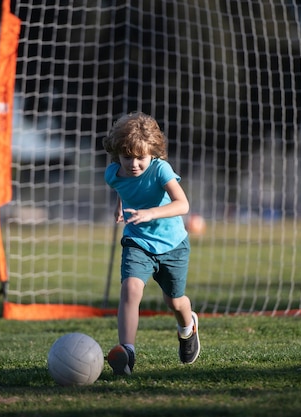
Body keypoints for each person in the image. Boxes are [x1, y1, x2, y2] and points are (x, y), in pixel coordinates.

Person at [102, 112, 200, 375]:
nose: (133, 164)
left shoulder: (160, 169)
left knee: (174, 301)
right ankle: (127, 352)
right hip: (137, 241)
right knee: (130, 290)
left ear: (153, 153)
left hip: (173, 244)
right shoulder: (112, 174)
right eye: (127, 158)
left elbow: (183, 204)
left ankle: (187, 328)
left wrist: (150, 213)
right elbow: (124, 188)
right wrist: (120, 207)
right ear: (117, 155)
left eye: (140, 158)